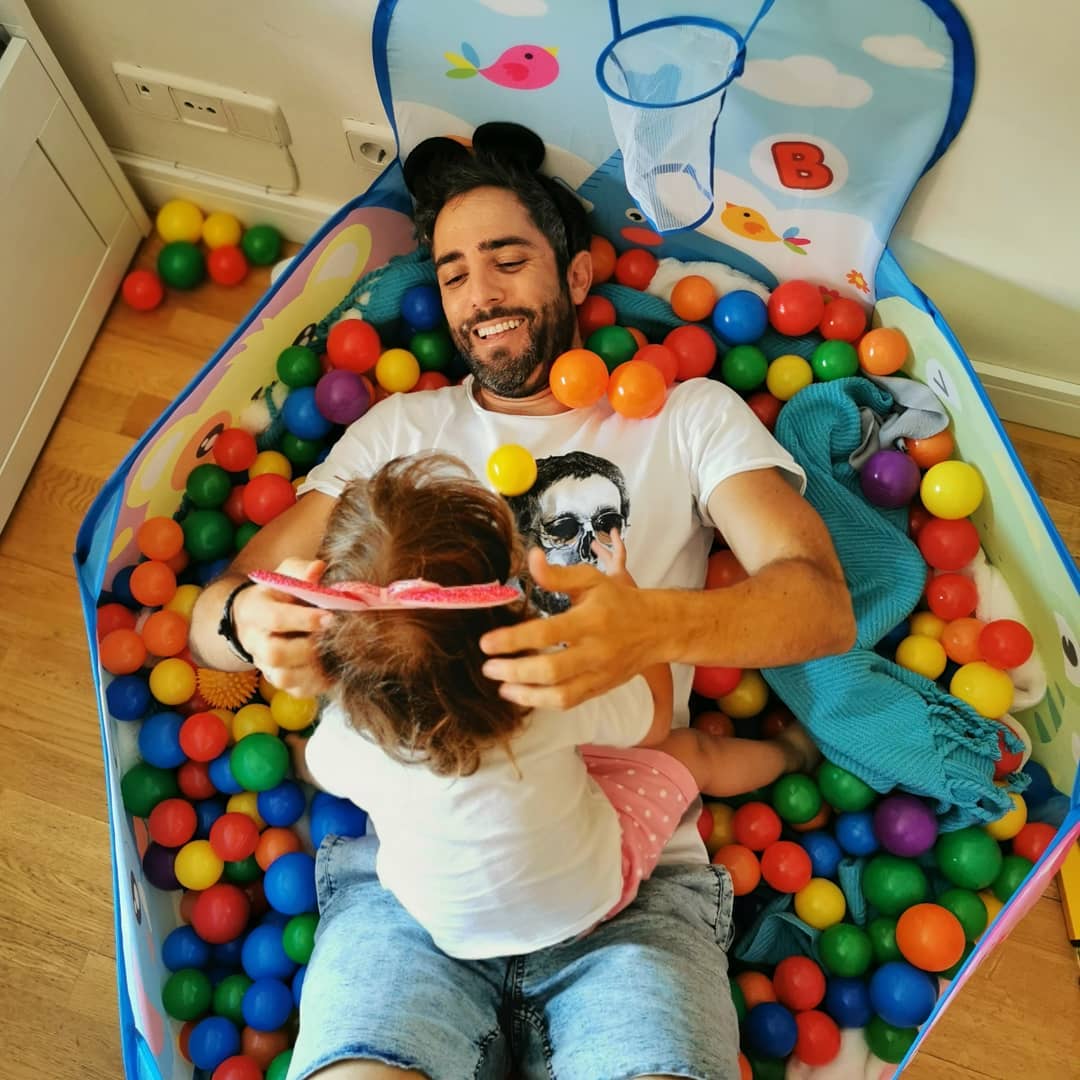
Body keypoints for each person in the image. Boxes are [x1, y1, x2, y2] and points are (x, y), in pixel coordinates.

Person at [189, 121, 856, 1080]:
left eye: (508, 261)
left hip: (630, 890)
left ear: (578, 277)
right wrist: (246, 624)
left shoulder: (688, 413)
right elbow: (224, 614)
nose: (481, 294)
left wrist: (654, 628)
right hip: (413, 885)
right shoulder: (400, 428)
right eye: (456, 274)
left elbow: (821, 606)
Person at [284, 451, 820, 963]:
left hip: (445, 928)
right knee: (689, 749)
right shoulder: (549, 692)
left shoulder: (346, 737)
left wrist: (295, 748)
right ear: (511, 606)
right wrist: (629, 606)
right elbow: (654, 719)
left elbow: (318, 765)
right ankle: (791, 753)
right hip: (585, 903)